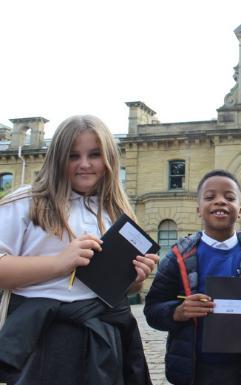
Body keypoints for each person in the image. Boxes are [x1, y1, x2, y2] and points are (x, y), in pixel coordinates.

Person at [0, 115, 159, 385]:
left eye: (94, 154)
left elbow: (121, 289)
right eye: (73, 156)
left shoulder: (116, 211)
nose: (84, 164)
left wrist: (133, 279)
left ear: (109, 158)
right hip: (44, 336)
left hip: (106, 334)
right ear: (57, 158)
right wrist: (60, 263)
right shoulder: (27, 201)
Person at [143, 169, 241, 385]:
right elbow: (153, 309)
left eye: (229, 197)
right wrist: (177, 312)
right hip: (189, 369)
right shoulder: (177, 257)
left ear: (240, 211)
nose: (220, 202)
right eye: (210, 197)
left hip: (239, 369)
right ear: (198, 209)